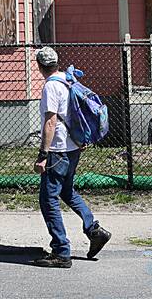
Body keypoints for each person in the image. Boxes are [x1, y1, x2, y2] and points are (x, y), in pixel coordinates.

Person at [32, 46, 112, 268]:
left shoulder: (50, 87)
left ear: (39, 66)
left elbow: (51, 122)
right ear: (57, 63)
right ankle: (94, 229)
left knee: (48, 200)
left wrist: (42, 154)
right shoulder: (69, 81)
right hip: (74, 147)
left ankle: (61, 251)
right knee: (67, 191)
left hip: (57, 150)